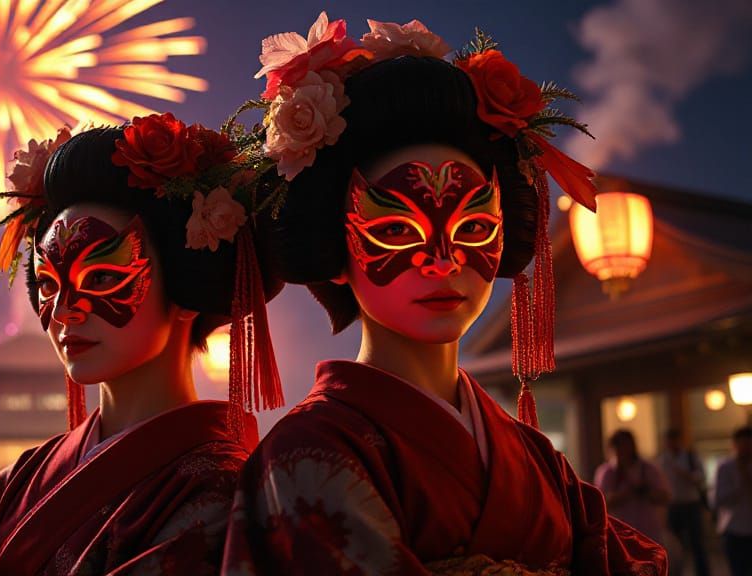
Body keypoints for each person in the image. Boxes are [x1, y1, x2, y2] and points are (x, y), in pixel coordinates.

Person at [222, 12, 667, 574]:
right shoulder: (306, 453)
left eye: (474, 229)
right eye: (396, 231)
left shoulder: (534, 456)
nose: (443, 261)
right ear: (334, 249)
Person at [0, 116, 285, 574]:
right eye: (50, 284)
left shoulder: (218, 491)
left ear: (187, 289)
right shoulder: (29, 476)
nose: (64, 312)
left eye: (104, 277)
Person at [595, 430, 672, 544]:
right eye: (618, 445)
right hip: (619, 535)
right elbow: (600, 503)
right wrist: (627, 494)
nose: (622, 449)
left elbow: (665, 497)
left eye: (625, 445)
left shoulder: (648, 469)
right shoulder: (606, 472)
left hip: (647, 532)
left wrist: (647, 492)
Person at [657, 428, 710, 576]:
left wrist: (684, 474)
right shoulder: (663, 461)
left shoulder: (690, 457)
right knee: (674, 545)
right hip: (673, 506)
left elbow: (700, 477)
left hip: (690, 504)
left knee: (697, 543)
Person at [714, 426, 752, 576]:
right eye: (743, 445)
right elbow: (719, 500)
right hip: (734, 529)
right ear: (735, 445)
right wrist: (740, 486)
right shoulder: (725, 467)